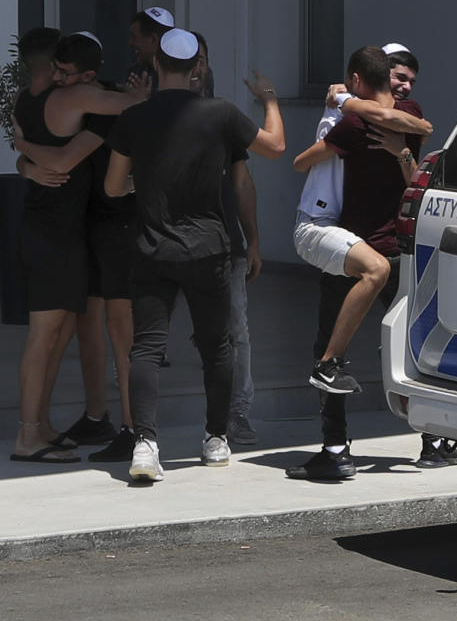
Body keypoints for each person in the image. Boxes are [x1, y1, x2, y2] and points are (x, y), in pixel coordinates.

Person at [104, 29, 285, 482]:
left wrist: (141, 185)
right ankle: (216, 438)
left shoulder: (134, 117)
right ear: (197, 68)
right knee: (216, 346)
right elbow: (276, 147)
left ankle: (145, 445)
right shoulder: (220, 113)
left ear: (156, 67)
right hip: (209, 249)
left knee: (145, 347)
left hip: (151, 248)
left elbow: (112, 187)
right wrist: (269, 100)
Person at [284, 46, 427, 481]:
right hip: (390, 249)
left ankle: (335, 448)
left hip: (358, 248)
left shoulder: (353, 122)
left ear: (357, 79)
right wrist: (401, 150)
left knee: (330, 350)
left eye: (409, 80)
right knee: (410, 345)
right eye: (399, 77)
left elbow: (299, 162)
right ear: (388, 78)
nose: (404, 86)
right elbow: (419, 149)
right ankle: (434, 440)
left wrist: (334, 133)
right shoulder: (407, 118)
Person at [10, 28, 145, 464]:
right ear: (53, 66)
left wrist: (23, 156)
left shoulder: (22, 100)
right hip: (56, 233)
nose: (65, 76)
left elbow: (45, 153)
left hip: (51, 227)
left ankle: (42, 426)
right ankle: (29, 434)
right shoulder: (68, 99)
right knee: (44, 336)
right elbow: (132, 108)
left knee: (56, 334)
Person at [190, 31, 261, 445]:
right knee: (149, 339)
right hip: (166, 243)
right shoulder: (155, 113)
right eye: (189, 60)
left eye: (202, 59)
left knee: (237, 332)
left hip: (224, 243)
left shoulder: (223, 115)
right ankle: (138, 426)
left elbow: (243, 182)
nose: (196, 67)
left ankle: (237, 415)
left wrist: (252, 240)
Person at [125, 7, 174, 94]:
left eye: (134, 37)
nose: (130, 43)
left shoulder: (181, 70)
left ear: (152, 39)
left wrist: (143, 101)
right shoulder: (134, 72)